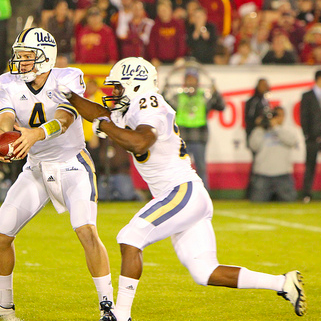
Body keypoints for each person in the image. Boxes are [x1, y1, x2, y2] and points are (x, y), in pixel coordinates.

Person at [59, 56, 307, 321]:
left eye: (118, 87)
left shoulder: (150, 104)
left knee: (130, 237)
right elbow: (101, 114)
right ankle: (283, 283)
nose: (114, 93)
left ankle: (121, 316)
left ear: (135, 85)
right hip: (186, 195)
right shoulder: (131, 108)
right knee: (204, 272)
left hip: (181, 192)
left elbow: (140, 142)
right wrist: (69, 96)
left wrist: (105, 125)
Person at [0, 27, 114, 319]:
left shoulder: (67, 77)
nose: (19, 62)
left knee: (86, 230)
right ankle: (4, 304)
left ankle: (108, 306)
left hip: (72, 164)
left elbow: (66, 116)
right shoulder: (7, 82)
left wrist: (38, 134)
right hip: (35, 168)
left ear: (46, 58)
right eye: (18, 56)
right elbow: (5, 115)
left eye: (26, 56)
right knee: (0, 235)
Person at [165, 68, 225, 190]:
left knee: (201, 168)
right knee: (179, 168)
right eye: (188, 79)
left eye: (193, 79)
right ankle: (178, 193)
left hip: (199, 137)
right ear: (185, 81)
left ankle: (203, 195)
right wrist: (165, 89)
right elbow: (163, 106)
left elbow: (221, 106)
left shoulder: (204, 97)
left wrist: (215, 91)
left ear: (197, 81)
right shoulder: (178, 97)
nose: (191, 82)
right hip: (181, 139)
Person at [248, 106, 297, 202]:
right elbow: (254, 146)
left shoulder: (287, 130)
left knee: (290, 205)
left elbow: (291, 141)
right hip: (262, 175)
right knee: (257, 204)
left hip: (283, 175)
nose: (276, 118)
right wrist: (261, 127)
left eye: (279, 116)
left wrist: (276, 128)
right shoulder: (260, 131)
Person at [300, 70, 321, 203]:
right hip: (313, 138)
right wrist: (308, 135)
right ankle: (307, 194)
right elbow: (303, 117)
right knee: (310, 166)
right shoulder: (307, 96)